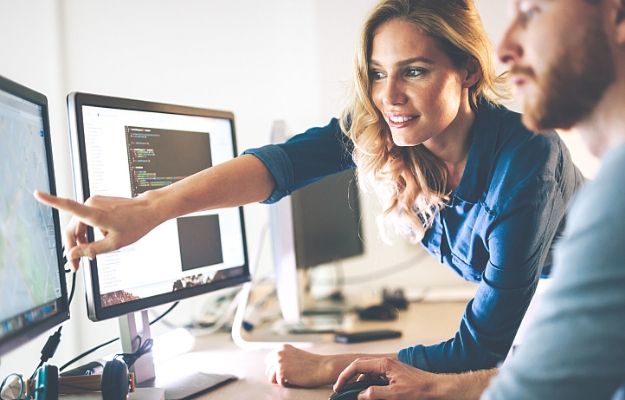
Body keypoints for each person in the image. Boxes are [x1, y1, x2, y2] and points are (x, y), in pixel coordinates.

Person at [35, 0, 582, 384]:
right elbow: (281, 166)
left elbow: (479, 348)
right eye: (375, 73)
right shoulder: (391, 126)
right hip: (526, 318)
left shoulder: (527, 160)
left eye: (413, 72)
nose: (388, 96)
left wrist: (327, 365)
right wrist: (153, 209)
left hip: (591, 322)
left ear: (466, 70)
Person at [331, 0, 625, 399]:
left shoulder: (603, 196)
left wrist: (334, 367)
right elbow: (563, 371)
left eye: (533, 12)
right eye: (379, 74)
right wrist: (442, 387)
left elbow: (534, 383)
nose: (503, 49)